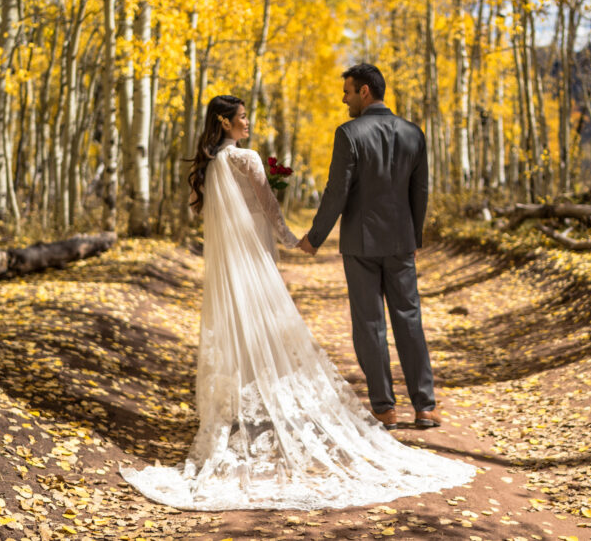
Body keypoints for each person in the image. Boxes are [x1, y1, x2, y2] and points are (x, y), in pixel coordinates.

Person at [120, 94, 473, 511]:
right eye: (242, 117)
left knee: (249, 321)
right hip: (262, 251)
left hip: (233, 259)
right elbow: (269, 206)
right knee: (303, 322)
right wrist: (295, 240)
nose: (247, 123)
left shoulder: (212, 164)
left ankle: (267, 405)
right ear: (225, 121)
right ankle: (420, 404)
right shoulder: (247, 158)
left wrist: (304, 232)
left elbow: (215, 210)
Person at [297, 63, 439, 431]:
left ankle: (385, 408)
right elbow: (419, 192)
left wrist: (315, 237)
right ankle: (424, 407)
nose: (343, 98)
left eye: (347, 91)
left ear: (364, 91)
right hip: (400, 242)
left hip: (361, 243)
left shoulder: (349, 133)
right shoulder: (414, 133)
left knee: (370, 323)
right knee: (409, 319)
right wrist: (414, 237)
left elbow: (337, 192)